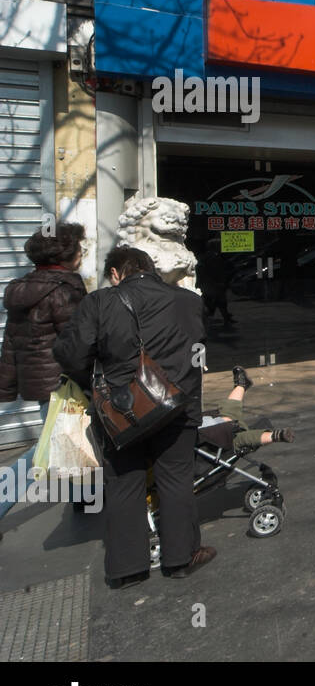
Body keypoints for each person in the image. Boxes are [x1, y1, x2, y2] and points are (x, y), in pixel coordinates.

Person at [54, 246, 214, 588]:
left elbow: (71, 355)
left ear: (116, 273)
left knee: (124, 484)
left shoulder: (99, 302)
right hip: (176, 406)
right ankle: (181, 559)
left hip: (123, 411)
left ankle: (127, 570)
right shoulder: (187, 300)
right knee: (176, 481)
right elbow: (197, 346)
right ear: (150, 269)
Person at [0, 224, 88, 525]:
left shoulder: (23, 288)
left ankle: (84, 498)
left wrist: (9, 384)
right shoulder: (65, 288)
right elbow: (76, 342)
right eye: (79, 248)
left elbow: (11, 341)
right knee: (48, 448)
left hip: (38, 380)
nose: (82, 253)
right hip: (63, 382)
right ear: (67, 256)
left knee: (73, 439)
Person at [197, 366, 294, 450]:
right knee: (239, 437)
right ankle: (277, 435)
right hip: (213, 438)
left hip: (207, 426)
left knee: (228, 413)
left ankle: (241, 385)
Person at [195, 239, 235, 326]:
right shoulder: (212, 257)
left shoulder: (208, 256)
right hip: (212, 283)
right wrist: (219, 282)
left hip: (210, 283)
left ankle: (225, 317)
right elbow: (214, 271)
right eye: (219, 245)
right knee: (215, 301)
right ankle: (210, 318)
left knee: (217, 301)